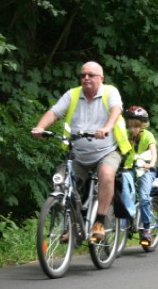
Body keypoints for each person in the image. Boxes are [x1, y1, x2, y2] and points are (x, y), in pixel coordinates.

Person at [31, 61, 132, 242]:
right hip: (78, 154)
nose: (86, 78)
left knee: (106, 174)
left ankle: (99, 222)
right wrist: (40, 127)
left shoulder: (110, 92)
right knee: (61, 181)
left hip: (106, 151)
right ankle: (73, 225)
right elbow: (54, 113)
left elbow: (116, 110)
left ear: (101, 78)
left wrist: (107, 127)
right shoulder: (73, 95)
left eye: (91, 75)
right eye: (83, 74)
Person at [123, 106, 158, 246]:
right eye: (130, 126)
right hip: (129, 168)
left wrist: (151, 164)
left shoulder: (148, 135)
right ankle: (126, 219)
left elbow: (154, 152)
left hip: (145, 169)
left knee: (144, 197)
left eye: (136, 126)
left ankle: (146, 229)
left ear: (142, 125)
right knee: (122, 192)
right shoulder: (125, 134)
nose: (132, 129)